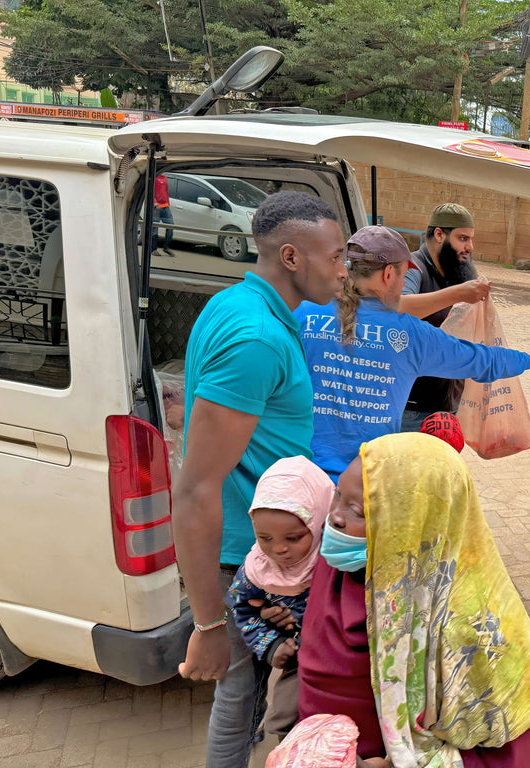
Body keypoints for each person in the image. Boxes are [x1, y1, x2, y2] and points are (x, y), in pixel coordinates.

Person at [172, 190, 347, 768]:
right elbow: (196, 486)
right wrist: (209, 622)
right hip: (254, 556)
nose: (344, 271)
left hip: (270, 547)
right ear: (293, 257)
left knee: (244, 697)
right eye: (337, 257)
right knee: (240, 699)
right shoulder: (257, 338)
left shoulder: (242, 305)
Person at [296, 433, 530, 766]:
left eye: (358, 511)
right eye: (337, 496)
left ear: (412, 527)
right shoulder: (336, 565)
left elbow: (504, 744)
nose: (334, 517)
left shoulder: (471, 629)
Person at [296, 225, 530, 481]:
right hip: (366, 484)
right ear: (388, 274)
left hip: (301, 475)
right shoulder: (411, 335)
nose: (402, 284)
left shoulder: (303, 315)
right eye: (402, 276)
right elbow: (479, 360)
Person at [226, 457, 334, 737]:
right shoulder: (256, 570)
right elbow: (242, 611)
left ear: (319, 521)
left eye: (294, 537)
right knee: (285, 723)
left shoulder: (336, 560)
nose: (279, 550)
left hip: (343, 660)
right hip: (301, 663)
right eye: (265, 538)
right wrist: (272, 645)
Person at [400, 203, 493, 431]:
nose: (469, 247)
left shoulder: (455, 271)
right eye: (462, 238)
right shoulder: (412, 268)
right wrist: (458, 293)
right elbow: (398, 309)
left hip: (449, 406)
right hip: (412, 409)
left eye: (471, 239)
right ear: (440, 234)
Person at [152, 173, 175, 258]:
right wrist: (155, 202)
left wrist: (167, 203)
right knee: (155, 228)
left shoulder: (164, 177)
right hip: (156, 206)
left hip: (165, 206)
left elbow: (166, 191)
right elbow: (151, 190)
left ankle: (166, 247)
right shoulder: (154, 177)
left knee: (171, 226)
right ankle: (153, 249)